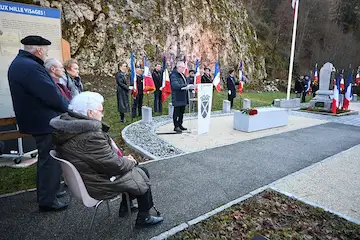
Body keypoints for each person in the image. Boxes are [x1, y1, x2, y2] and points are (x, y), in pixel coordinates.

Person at [50, 92, 164, 227]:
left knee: (134, 170)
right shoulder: (90, 136)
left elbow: (100, 159)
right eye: (100, 111)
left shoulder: (68, 128)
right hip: (97, 184)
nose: (102, 115)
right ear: (90, 113)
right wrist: (131, 161)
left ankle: (125, 206)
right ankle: (144, 217)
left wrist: (122, 160)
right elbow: (114, 165)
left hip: (86, 177)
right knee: (141, 172)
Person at [7, 35, 69, 212]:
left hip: (38, 120)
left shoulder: (21, 64)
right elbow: (50, 94)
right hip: (44, 122)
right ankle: (47, 200)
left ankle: (49, 192)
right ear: (39, 50)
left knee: (46, 158)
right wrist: (69, 108)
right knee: (49, 159)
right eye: (46, 50)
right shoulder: (31, 67)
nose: (46, 53)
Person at [170, 61, 188, 133]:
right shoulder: (174, 75)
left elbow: (185, 82)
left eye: (184, 67)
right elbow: (175, 85)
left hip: (183, 97)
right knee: (176, 112)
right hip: (177, 97)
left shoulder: (182, 74)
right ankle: (176, 126)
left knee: (181, 112)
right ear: (179, 67)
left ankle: (180, 124)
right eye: (183, 67)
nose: (184, 69)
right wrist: (185, 86)